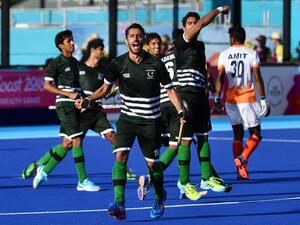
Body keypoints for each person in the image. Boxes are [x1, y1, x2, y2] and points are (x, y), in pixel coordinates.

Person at [75, 23, 185, 220]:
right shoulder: (117, 64)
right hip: (127, 120)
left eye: (138, 36)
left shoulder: (156, 64)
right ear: (126, 41)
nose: (135, 39)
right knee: (120, 158)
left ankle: (159, 196)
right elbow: (104, 89)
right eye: (131, 36)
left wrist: (180, 109)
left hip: (151, 122)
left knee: (153, 166)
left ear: (142, 40)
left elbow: (170, 90)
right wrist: (87, 99)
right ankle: (119, 204)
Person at [22, 38, 136, 187]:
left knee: (112, 136)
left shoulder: (104, 70)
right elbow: (71, 88)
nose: (103, 52)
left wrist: (109, 93)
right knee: (67, 144)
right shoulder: (78, 67)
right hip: (79, 112)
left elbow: (105, 90)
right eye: (100, 49)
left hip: (95, 111)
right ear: (92, 50)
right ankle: (40, 165)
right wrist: (77, 101)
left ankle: (123, 169)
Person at [137, 30, 208, 201]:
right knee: (181, 144)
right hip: (168, 106)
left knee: (175, 146)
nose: (156, 46)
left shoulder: (150, 61)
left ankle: (163, 181)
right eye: (153, 44)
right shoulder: (166, 58)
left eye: (158, 43)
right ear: (147, 46)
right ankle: (182, 184)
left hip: (161, 108)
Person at [27, 30, 102, 191]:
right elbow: (47, 86)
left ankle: (43, 171)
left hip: (75, 105)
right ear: (61, 46)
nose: (72, 43)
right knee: (77, 141)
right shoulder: (56, 63)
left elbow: (78, 88)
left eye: (72, 40)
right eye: (68, 41)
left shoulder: (75, 62)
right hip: (64, 105)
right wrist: (68, 93)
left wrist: (84, 101)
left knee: (67, 143)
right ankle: (82, 181)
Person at [173, 7, 231, 195]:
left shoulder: (200, 46)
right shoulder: (182, 41)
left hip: (200, 95)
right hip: (186, 94)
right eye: (190, 24)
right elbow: (202, 23)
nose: (194, 26)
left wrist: (211, 92)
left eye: (194, 23)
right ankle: (184, 182)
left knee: (204, 136)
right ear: (184, 28)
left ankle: (206, 179)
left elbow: (203, 72)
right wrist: (219, 10)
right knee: (186, 141)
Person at [214, 26, 271, 180]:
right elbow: (258, 77)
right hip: (247, 99)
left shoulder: (224, 54)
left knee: (237, 134)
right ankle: (243, 158)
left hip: (231, 99)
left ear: (232, 39)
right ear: (243, 38)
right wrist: (264, 99)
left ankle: (240, 170)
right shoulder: (252, 54)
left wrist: (217, 97)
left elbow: (219, 78)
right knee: (256, 133)